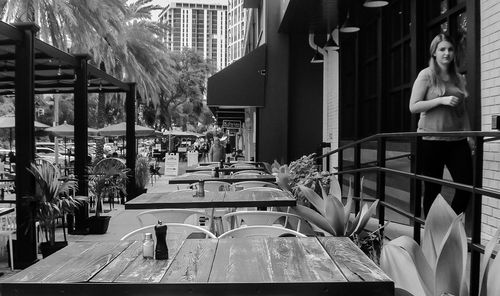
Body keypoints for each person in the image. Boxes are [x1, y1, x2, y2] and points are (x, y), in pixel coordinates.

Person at [409, 33, 474, 216]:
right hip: (430, 139)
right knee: (432, 190)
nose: (447, 53)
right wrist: (441, 101)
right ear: (434, 53)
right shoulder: (426, 75)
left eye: (450, 49)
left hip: (456, 140)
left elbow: (463, 111)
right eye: (442, 49)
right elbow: (413, 106)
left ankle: (449, 226)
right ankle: (432, 233)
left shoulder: (459, 79)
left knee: (466, 186)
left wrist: (470, 135)